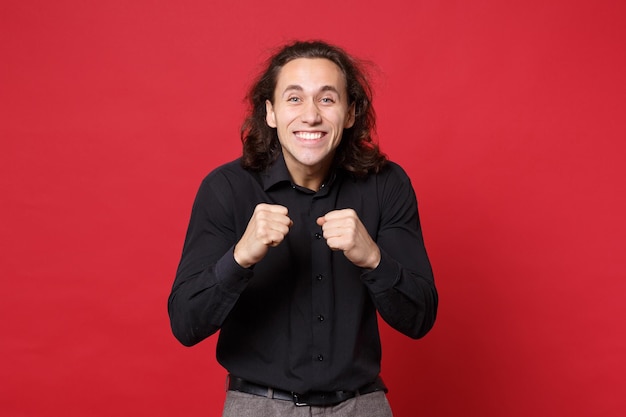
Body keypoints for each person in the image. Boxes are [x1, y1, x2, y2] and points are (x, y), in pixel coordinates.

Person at [168, 40, 438, 417]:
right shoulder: (225, 189)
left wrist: (373, 260)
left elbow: (420, 319)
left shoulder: (386, 184)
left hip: (362, 405)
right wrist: (239, 258)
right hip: (259, 406)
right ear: (271, 112)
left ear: (349, 113)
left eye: (327, 99)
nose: (310, 116)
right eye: (294, 99)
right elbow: (185, 323)